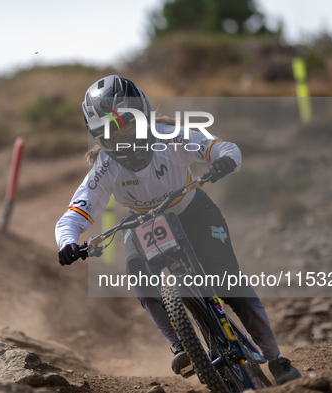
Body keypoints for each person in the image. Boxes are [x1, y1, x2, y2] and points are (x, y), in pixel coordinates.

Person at [54, 75, 301, 385]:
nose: (121, 135)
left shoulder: (171, 136)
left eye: (127, 123)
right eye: (109, 131)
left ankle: (276, 359)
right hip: (142, 222)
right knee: (136, 271)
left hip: (192, 211)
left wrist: (224, 160)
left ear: (144, 115)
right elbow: (72, 217)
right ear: (97, 135)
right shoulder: (104, 167)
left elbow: (225, 148)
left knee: (230, 284)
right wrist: (67, 242)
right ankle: (182, 346)